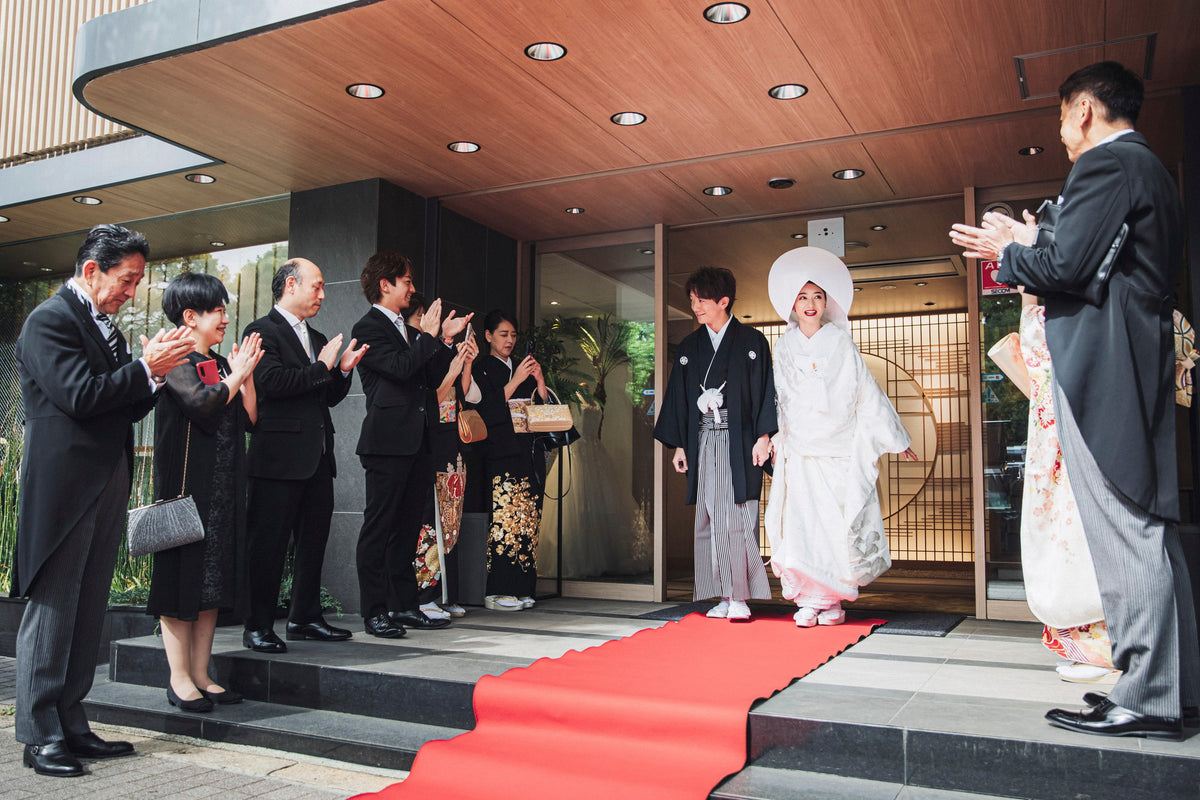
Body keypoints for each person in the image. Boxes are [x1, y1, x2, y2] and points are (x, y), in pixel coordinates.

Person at [950, 60, 1199, 739]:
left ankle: (1148, 699)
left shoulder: (1107, 166)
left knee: (1127, 533)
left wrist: (1010, 247)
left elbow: (1067, 270)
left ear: (1084, 110)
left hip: (1106, 370)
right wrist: (1029, 243)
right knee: (1148, 530)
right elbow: (1091, 260)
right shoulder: (1150, 171)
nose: (1060, 132)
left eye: (1061, 116)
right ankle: (1170, 690)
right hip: (1132, 361)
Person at [12, 224, 194, 777]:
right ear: (92, 270)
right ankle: (38, 733)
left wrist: (153, 379)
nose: (131, 291)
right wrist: (145, 369)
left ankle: (71, 721)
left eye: (137, 281)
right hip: (64, 484)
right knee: (53, 607)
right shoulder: (49, 320)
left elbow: (120, 406)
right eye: (127, 279)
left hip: (105, 477)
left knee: (88, 606)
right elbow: (78, 396)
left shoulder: (106, 328)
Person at [763, 247, 916, 627]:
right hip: (799, 451)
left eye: (817, 296)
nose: (810, 304)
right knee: (800, 526)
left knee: (835, 526)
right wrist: (769, 436)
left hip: (837, 452)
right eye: (803, 297)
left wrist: (897, 438)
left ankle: (831, 601)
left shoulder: (842, 344)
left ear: (827, 302)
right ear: (792, 304)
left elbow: (866, 393)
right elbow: (776, 400)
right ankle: (808, 599)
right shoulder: (782, 347)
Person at [149, 272, 263, 712]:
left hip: (221, 491)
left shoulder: (219, 362)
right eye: (217, 309)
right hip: (185, 492)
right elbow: (203, 404)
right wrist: (235, 376)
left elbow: (248, 418)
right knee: (181, 581)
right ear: (190, 316)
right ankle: (178, 678)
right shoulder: (174, 361)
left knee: (212, 583)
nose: (224, 317)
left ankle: (201, 673)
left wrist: (245, 377)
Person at [241, 258, 368, 653]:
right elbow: (272, 383)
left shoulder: (316, 336)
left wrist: (342, 371)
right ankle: (257, 626)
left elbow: (325, 395)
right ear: (290, 285)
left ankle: (305, 617)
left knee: (313, 543)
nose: (323, 295)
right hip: (277, 460)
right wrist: (322, 366)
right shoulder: (261, 330)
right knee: (269, 546)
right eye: (317, 286)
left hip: (317, 458)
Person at [352, 254, 472, 636]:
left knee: (407, 530)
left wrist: (446, 340)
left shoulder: (408, 330)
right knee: (379, 528)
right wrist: (430, 336)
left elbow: (434, 375)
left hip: (419, 441)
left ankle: (404, 605)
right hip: (386, 443)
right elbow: (402, 370)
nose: (412, 288)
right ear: (384, 284)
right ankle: (374, 610)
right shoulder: (368, 326)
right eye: (406, 280)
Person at [654, 267, 776, 622]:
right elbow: (678, 396)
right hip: (704, 440)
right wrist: (680, 446)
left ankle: (741, 595)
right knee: (708, 515)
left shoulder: (753, 342)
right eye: (692, 300)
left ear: (724, 301)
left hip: (740, 443)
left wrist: (763, 437)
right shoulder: (691, 346)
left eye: (702, 300)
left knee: (736, 515)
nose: (696, 307)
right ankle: (723, 594)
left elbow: (766, 391)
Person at [1013, 290, 1114, 683]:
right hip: (1053, 432)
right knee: (1063, 535)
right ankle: (1088, 643)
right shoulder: (1046, 304)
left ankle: (1108, 645)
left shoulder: (1077, 304)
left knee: (1081, 535)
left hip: (1077, 428)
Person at [405, 294, 479, 620]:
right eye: (423, 315)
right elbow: (431, 393)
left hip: (451, 441)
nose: (430, 321)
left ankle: (448, 594)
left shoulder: (434, 347)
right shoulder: (413, 351)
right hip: (430, 440)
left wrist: (461, 357)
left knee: (450, 522)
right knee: (429, 521)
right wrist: (451, 365)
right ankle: (425, 595)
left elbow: (458, 392)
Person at [470, 309, 548, 611]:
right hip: (499, 452)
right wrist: (516, 380)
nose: (510, 341)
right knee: (504, 521)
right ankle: (497, 591)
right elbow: (484, 410)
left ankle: (523, 586)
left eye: (513, 335)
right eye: (503, 335)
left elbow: (542, 409)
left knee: (527, 521)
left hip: (527, 450)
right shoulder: (481, 368)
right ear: (488, 336)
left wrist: (539, 380)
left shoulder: (522, 367)